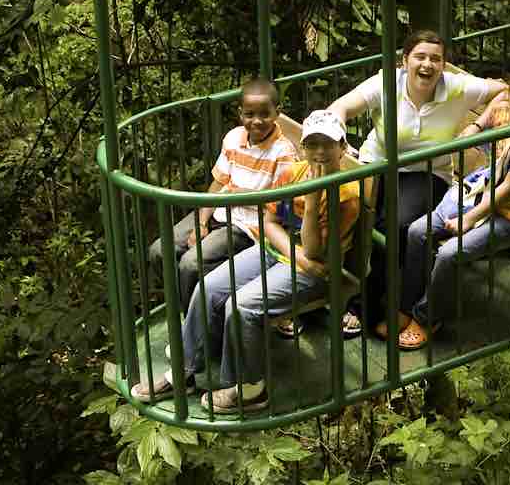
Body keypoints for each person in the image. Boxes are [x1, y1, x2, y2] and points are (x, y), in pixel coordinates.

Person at [131, 110, 361, 413]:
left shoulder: (346, 195)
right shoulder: (294, 173)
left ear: (342, 148)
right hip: (284, 254)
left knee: (241, 306)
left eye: (328, 144)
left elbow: (316, 252)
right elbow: (267, 221)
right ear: (304, 147)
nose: (320, 151)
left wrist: (313, 201)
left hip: (315, 270)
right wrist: (295, 255)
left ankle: (251, 389)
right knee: (208, 287)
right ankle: (182, 372)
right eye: (313, 143)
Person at [327, 29, 507, 336]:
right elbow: (340, 108)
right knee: (336, 208)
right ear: (404, 60)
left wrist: (477, 124)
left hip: (425, 172)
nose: (427, 65)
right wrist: (339, 137)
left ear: (444, 65)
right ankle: (315, 291)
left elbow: (505, 89)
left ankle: (366, 303)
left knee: (393, 225)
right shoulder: (386, 83)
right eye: (420, 57)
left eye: (436, 59)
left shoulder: (458, 87)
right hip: (376, 163)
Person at [389, 67, 510, 350]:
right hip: (480, 187)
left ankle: (427, 317)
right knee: (417, 231)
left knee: (450, 253)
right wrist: (473, 130)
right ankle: (407, 304)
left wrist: (469, 219)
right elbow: (485, 120)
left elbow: (508, 189)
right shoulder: (502, 107)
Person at [146, 77, 298, 312]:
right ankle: (188, 310)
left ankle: (195, 331)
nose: (256, 121)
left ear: (277, 112)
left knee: (191, 263)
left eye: (264, 114)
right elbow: (219, 184)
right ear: (240, 114)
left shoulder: (284, 152)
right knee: (159, 251)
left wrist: (241, 194)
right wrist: (202, 221)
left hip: (247, 227)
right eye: (249, 114)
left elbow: (278, 204)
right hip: (219, 210)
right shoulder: (234, 137)